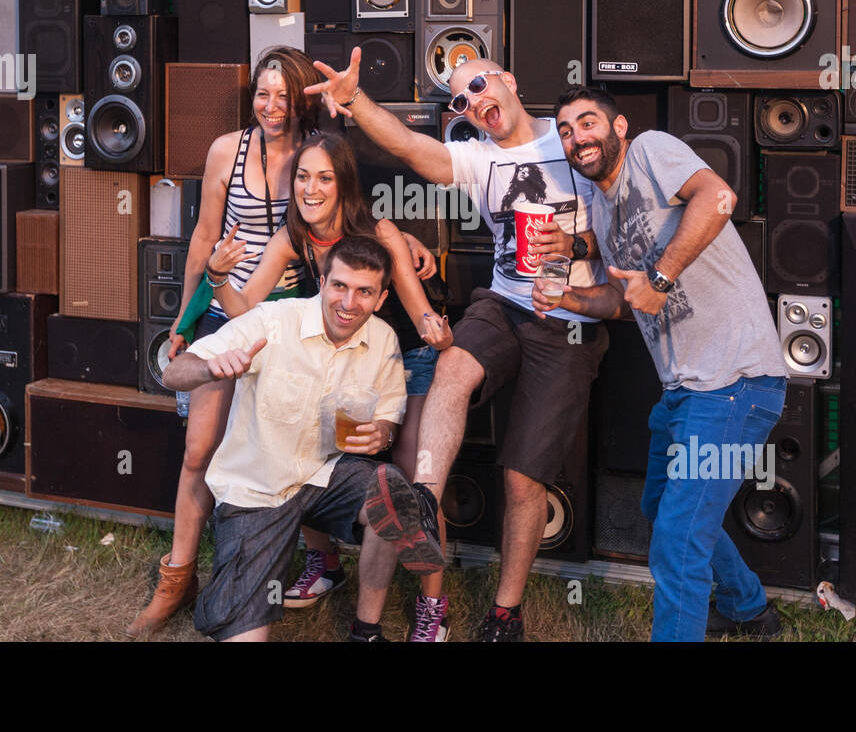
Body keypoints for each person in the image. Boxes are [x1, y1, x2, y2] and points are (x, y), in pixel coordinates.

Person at [126, 47, 435, 637]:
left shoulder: (315, 152)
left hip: (298, 324)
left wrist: (403, 243)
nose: (271, 106)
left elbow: (358, 217)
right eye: (262, 94)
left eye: (282, 95)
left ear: (300, 100)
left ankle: (328, 563)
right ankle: (178, 577)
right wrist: (185, 318)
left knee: (309, 442)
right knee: (200, 452)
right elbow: (203, 238)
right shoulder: (227, 150)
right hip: (233, 314)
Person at [306, 50, 609, 641]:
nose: (473, 102)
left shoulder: (571, 139)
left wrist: (574, 246)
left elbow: (626, 228)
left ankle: (504, 614)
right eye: (460, 100)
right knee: (452, 369)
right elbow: (408, 146)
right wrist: (355, 99)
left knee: (523, 480)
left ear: (509, 79)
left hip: (569, 315)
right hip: (503, 302)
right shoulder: (478, 158)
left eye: (478, 85)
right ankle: (420, 502)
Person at [536, 86, 789, 642]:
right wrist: (569, 300)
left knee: (678, 540)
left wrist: (659, 278)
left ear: (618, 126)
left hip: (734, 381)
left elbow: (718, 198)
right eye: (565, 129)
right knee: (660, 507)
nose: (577, 136)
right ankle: (749, 610)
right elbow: (620, 302)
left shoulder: (651, 151)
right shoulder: (602, 209)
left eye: (587, 122)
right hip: (683, 391)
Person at [207, 132, 455, 641]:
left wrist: (438, 330)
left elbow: (416, 307)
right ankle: (327, 563)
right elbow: (245, 313)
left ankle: (433, 605)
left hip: (406, 355)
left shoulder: (379, 230)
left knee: (410, 483)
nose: (311, 188)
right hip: (348, 359)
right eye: (302, 176)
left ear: (343, 184)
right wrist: (218, 278)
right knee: (307, 449)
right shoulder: (292, 237)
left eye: (324, 177)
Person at [162, 236, 432, 642]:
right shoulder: (273, 321)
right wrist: (212, 368)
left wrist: (383, 433)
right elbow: (173, 373)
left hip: (325, 476)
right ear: (322, 282)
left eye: (364, 292)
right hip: (259, 489)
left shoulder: (383, 340)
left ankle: (366, 631)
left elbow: (389, 418)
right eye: (340, 286)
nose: (348, 302)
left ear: (381, 299)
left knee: (391, 490)